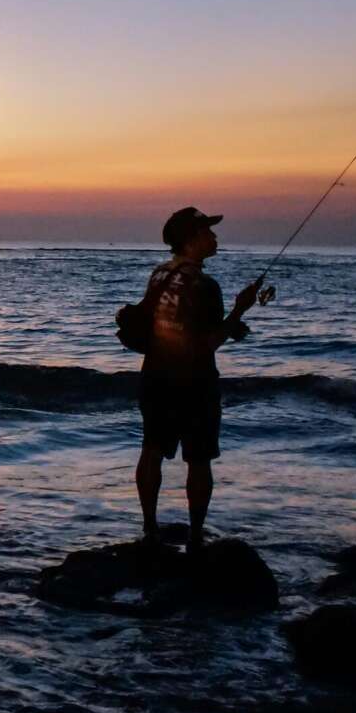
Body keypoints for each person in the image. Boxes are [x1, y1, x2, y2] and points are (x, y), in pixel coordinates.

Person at [135, 207, 262, 549]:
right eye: (208, 231)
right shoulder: (205, 284)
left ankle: (149, 528)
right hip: (194, 381)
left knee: (152, 450)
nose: (215, 237)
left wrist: (230, 325)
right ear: (192, 239)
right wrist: (240, 309)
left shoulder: (159, 274)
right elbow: (206, 342)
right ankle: (195, 537)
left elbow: (173, 322)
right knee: (199, 458)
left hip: (155, 374)